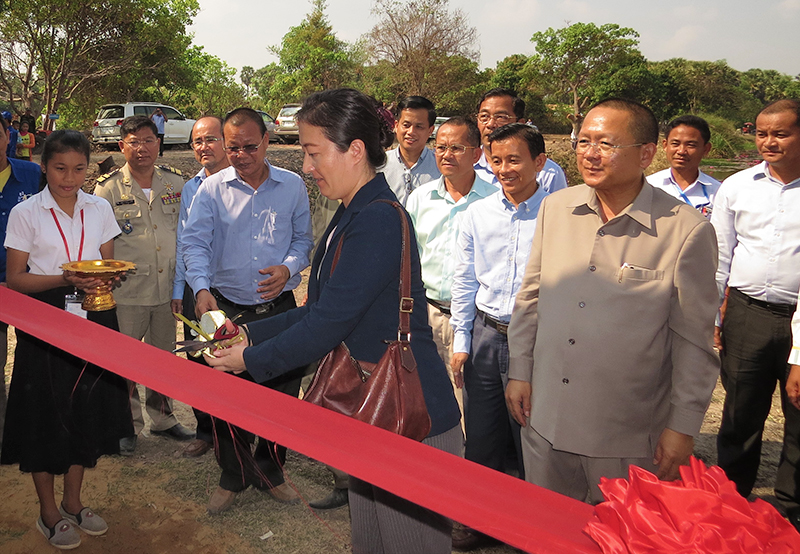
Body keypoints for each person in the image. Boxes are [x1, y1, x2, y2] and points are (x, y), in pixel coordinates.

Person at [204, 88, 461, 554]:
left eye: (312, 152)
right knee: (372, 542)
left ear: (355, 150)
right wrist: (248, 332)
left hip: (409, 419)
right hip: (374, 413)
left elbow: (327, 325)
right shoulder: (352, 212)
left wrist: (249, 359)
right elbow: (320, 310)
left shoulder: (376, 220)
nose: (306, 166)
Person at [505, 98, 719, 504]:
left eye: (605, 143)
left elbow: (694, 341)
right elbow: (530, 296)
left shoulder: (685, 231)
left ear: (646, 154)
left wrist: (683, 426)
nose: (589, 153)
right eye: (583, 141)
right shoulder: (556, 208)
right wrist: (520, 369)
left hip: (626, 434)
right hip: (546, 418)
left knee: (620, 540)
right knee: (546, 531)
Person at [2, 130, 133, 549]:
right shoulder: (26, 213)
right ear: (43, 167)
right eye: (59, 168)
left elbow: (106, 262)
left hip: (95, 315)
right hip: (45, 319)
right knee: (44, 415)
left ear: (88, 168)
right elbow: (16, 279)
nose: (69, 178)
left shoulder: (99, 208)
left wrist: (107, 277)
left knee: (84, 410)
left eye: (79, 169)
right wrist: (64, 278)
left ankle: (74, 501)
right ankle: (48, 511)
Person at [182, 107, 313, 514]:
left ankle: (271, 470)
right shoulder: (210, 190)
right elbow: (194, 243)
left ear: (268, 141)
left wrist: (289, 267)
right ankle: (233, 475)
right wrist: (201, 288)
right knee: (225, 399)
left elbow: (304, 242)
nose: (240, 155)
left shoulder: (292, 186)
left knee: (282, 396)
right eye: (232, 147)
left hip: (279, 312)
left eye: (249, 147)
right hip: (227, 312)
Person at [449, 123, 549, 550]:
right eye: (497, 160)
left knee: (533, 437)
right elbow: (465, 280)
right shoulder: (477, 213)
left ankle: (531, 525)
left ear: (539, 162)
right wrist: (461, 341)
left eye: (515, 159)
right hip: (487, 336)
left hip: (540, 342)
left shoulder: (558, 214)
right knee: (483, 436)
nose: (505, 168)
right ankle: (479, 520)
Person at [712, 99, 800, 531]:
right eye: (762, 133)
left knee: (799, 416)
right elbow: (720, 257)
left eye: (780, 133)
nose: (768, 142)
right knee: (740, 413)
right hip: (747, 314)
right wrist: (713, 315)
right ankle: (730, 500)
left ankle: (789, 507)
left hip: (798, 314)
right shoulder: (737, 186)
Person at [94, 115, 194, 456]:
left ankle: (163, 419)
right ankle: (127, 426)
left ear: (159, 143)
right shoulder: (106, 189)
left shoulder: (176, 184)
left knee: (162, 357)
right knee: (124, 362)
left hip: (168, 289)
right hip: (127, 291)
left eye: (149, 140)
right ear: (122, 146)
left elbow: (187, 236)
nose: (142, 148)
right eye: (134, 142)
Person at [405, 116, 495, 426]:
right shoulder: (419, 199)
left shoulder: (494, 202)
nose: (447, 154)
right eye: (441, 147)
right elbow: (408, 258)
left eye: (457, 147)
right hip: (427, 313)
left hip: (474, 319)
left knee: (469, 405)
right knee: (426, 400)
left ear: (477, 154)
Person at [173, 116, 230, 459]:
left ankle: (238, 432)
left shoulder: (240, 181)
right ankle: (206, 430)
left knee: (232, 358)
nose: (204, 147)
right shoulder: (190, 187)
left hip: (230, 288)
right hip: (199, 288)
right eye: (198, 141)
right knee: (198, 359)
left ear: (226, 141)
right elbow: (185, 241)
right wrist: (180, 289)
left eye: (211, 139)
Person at [0, 115, 40, 449]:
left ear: (7, 137)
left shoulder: (31, 174)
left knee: (34, 360)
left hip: (30, 286)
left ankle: (33, 426)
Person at [473, 88, 568, 194]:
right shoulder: (464, 166)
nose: (490, 124)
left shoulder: (547, 173)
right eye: (484, 116)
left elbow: (558, 209)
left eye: (501, 117)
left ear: (520, 124)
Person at [646, 115, 721, 218]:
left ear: (706, 149)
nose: (681, 151)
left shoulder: (718, 192)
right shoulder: (648, 186)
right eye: (675, 144)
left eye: (691, 145)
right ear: (665, 145)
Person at [379, 96, 440, 205]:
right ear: (396, 126)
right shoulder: (380, 164)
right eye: (406, 125)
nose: (411, 132)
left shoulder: (440, 167)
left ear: (430, 130)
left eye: (419, 127)